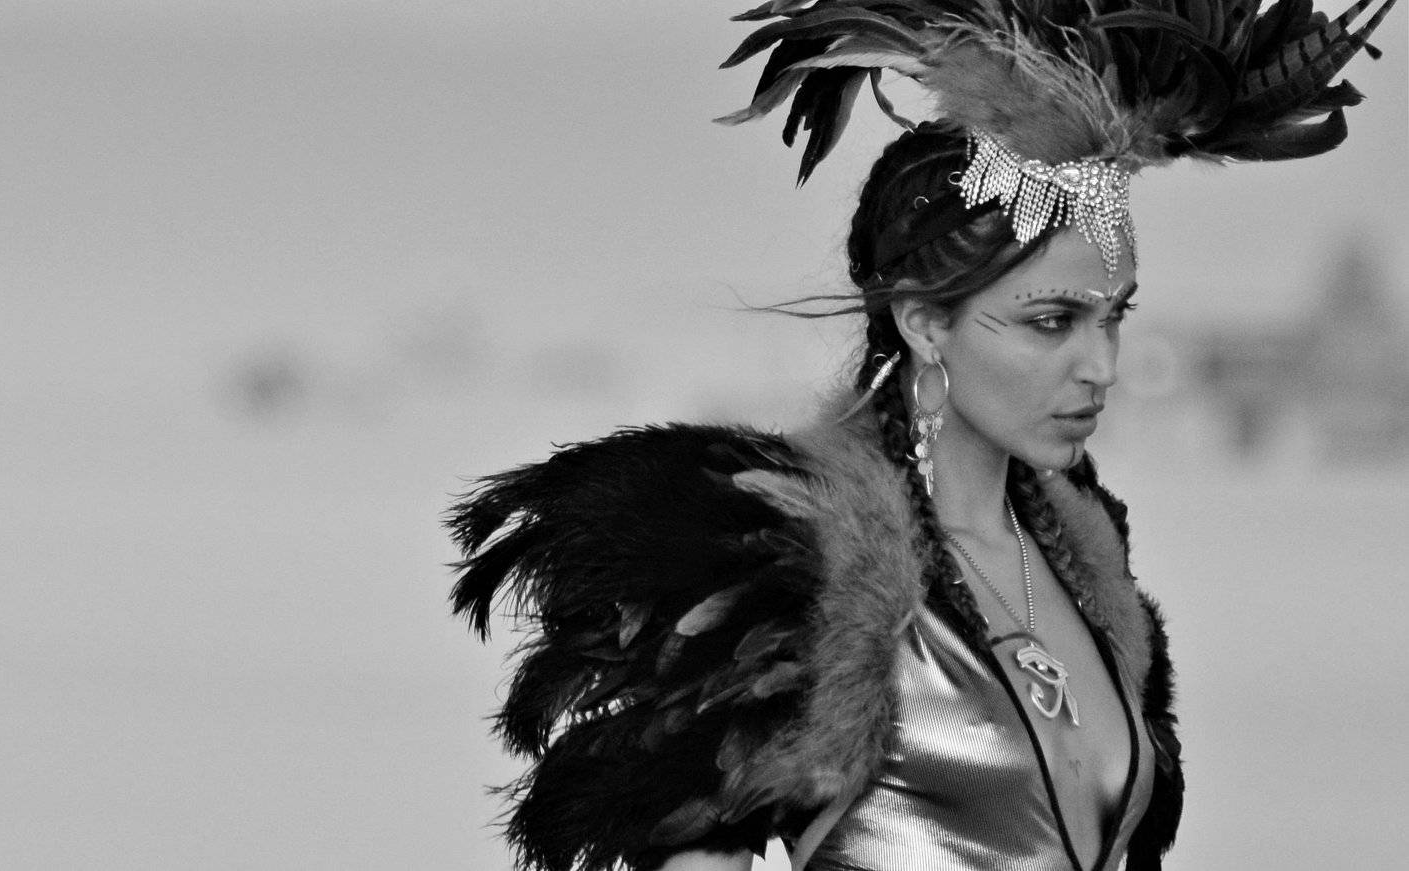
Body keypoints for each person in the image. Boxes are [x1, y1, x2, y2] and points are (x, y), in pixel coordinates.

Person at [447, 1, 1398, 869]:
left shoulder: (1086, 565)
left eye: (1114, 316)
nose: (1102, 365)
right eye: (1051, 321)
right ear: (924, 321)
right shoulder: (796, 566)